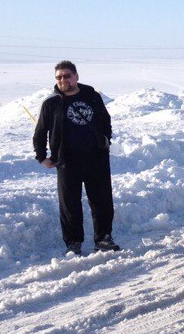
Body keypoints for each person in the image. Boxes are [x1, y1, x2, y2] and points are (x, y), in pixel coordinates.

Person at [33, 60, 120, 255]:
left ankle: (103, 238)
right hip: (66, 161)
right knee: (69, 204)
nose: (63, 80)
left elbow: (106, 121)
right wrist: (41, 156)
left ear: (76, 76)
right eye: (59, 77)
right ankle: (73, 242)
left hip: (96, 158)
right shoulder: (51, 103)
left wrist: (106, 140)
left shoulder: (92, 96)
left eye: (67, 76)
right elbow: (40, 132)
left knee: (102, 201)